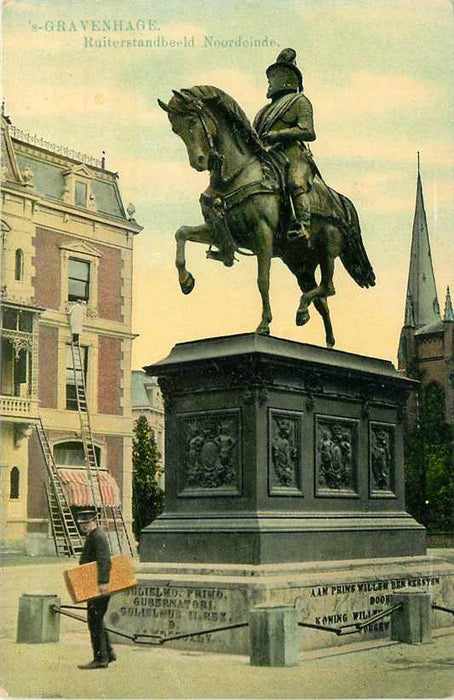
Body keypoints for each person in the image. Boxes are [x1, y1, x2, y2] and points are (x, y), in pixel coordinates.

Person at [253, 47, 317, 242]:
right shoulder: (264, 111)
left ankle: (303, 226)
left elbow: (308, 131)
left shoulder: (300, 102)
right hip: (267, 156)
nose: (271, 82)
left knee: (296, 181)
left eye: (274, 76)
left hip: (292, 154)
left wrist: (277, 135)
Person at [76, 509, 116, 670]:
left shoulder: (97, 536)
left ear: (93, 521)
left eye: (86, 523)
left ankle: (100, 658)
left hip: (99, 586)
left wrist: (103, 582)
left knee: (94, 620)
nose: (83, 526)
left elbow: (104, 560)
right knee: (97, 619)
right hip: (94, 584)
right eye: (81, 523)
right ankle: (109, 653)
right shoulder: (93, 535)